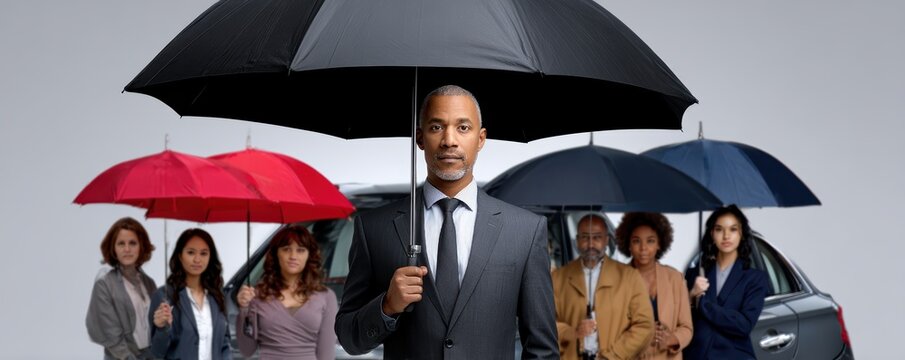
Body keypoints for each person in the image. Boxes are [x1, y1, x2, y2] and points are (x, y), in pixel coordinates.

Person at [335, 85, 559, 359]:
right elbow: (348, 337)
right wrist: (387, 306)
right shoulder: (374, 229)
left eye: (463, 128)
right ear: (419, 137)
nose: (449, 140)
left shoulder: (524, 231)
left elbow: (542, 349)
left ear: (481, 138)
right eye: (436, 127)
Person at [552, 213, 654, 360]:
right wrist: (572, 332)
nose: (591, 244)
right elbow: (545, 325)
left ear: (607, 240)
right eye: (585, 237)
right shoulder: (557, 278)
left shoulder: (629, 277)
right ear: (577, 241)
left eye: (597, 237)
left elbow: (645, 326)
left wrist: (612, 356)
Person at [235, 225, 337, 360]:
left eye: (300, 250)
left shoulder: (326, 297)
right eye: (286, 249)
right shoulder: (257, 295)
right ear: (276, 253)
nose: (293, 256)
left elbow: (327, 355)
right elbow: (246, 350)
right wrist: (244, 309)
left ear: (309, 255)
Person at [683, 205, 769, 360]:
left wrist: (703, 304)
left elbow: (743, 325)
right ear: (712, 234)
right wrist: (690, 296)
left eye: (733, 229)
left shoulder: (755, 279)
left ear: (741, 234)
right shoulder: (695, 276)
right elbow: (679, 322)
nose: (726, 236)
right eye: (719, 229)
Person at [615, 212, 693, 359]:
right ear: (628, 245)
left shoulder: (675, 278)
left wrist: (672, 339)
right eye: (636, 241)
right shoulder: (617, 281)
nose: (643, 248)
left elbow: (687, 328)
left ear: (659, 244)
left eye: (650, 241)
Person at [149, 228, 232, 360]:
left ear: (210, 257)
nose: (197, 259)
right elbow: (157, 353)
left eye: (204, 253)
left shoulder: (217, 295)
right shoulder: (163, 296)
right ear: (180, 256)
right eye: (191, 252)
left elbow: (224, 341)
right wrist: (161, 328)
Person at [86, 217, 158, 360]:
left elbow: (155, 328)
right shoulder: (105, 284)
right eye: (121, 244)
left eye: (132, 243)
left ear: (141, 246)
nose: (127, 249)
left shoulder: (149, 283)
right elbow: (109, 333)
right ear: (113, 248)